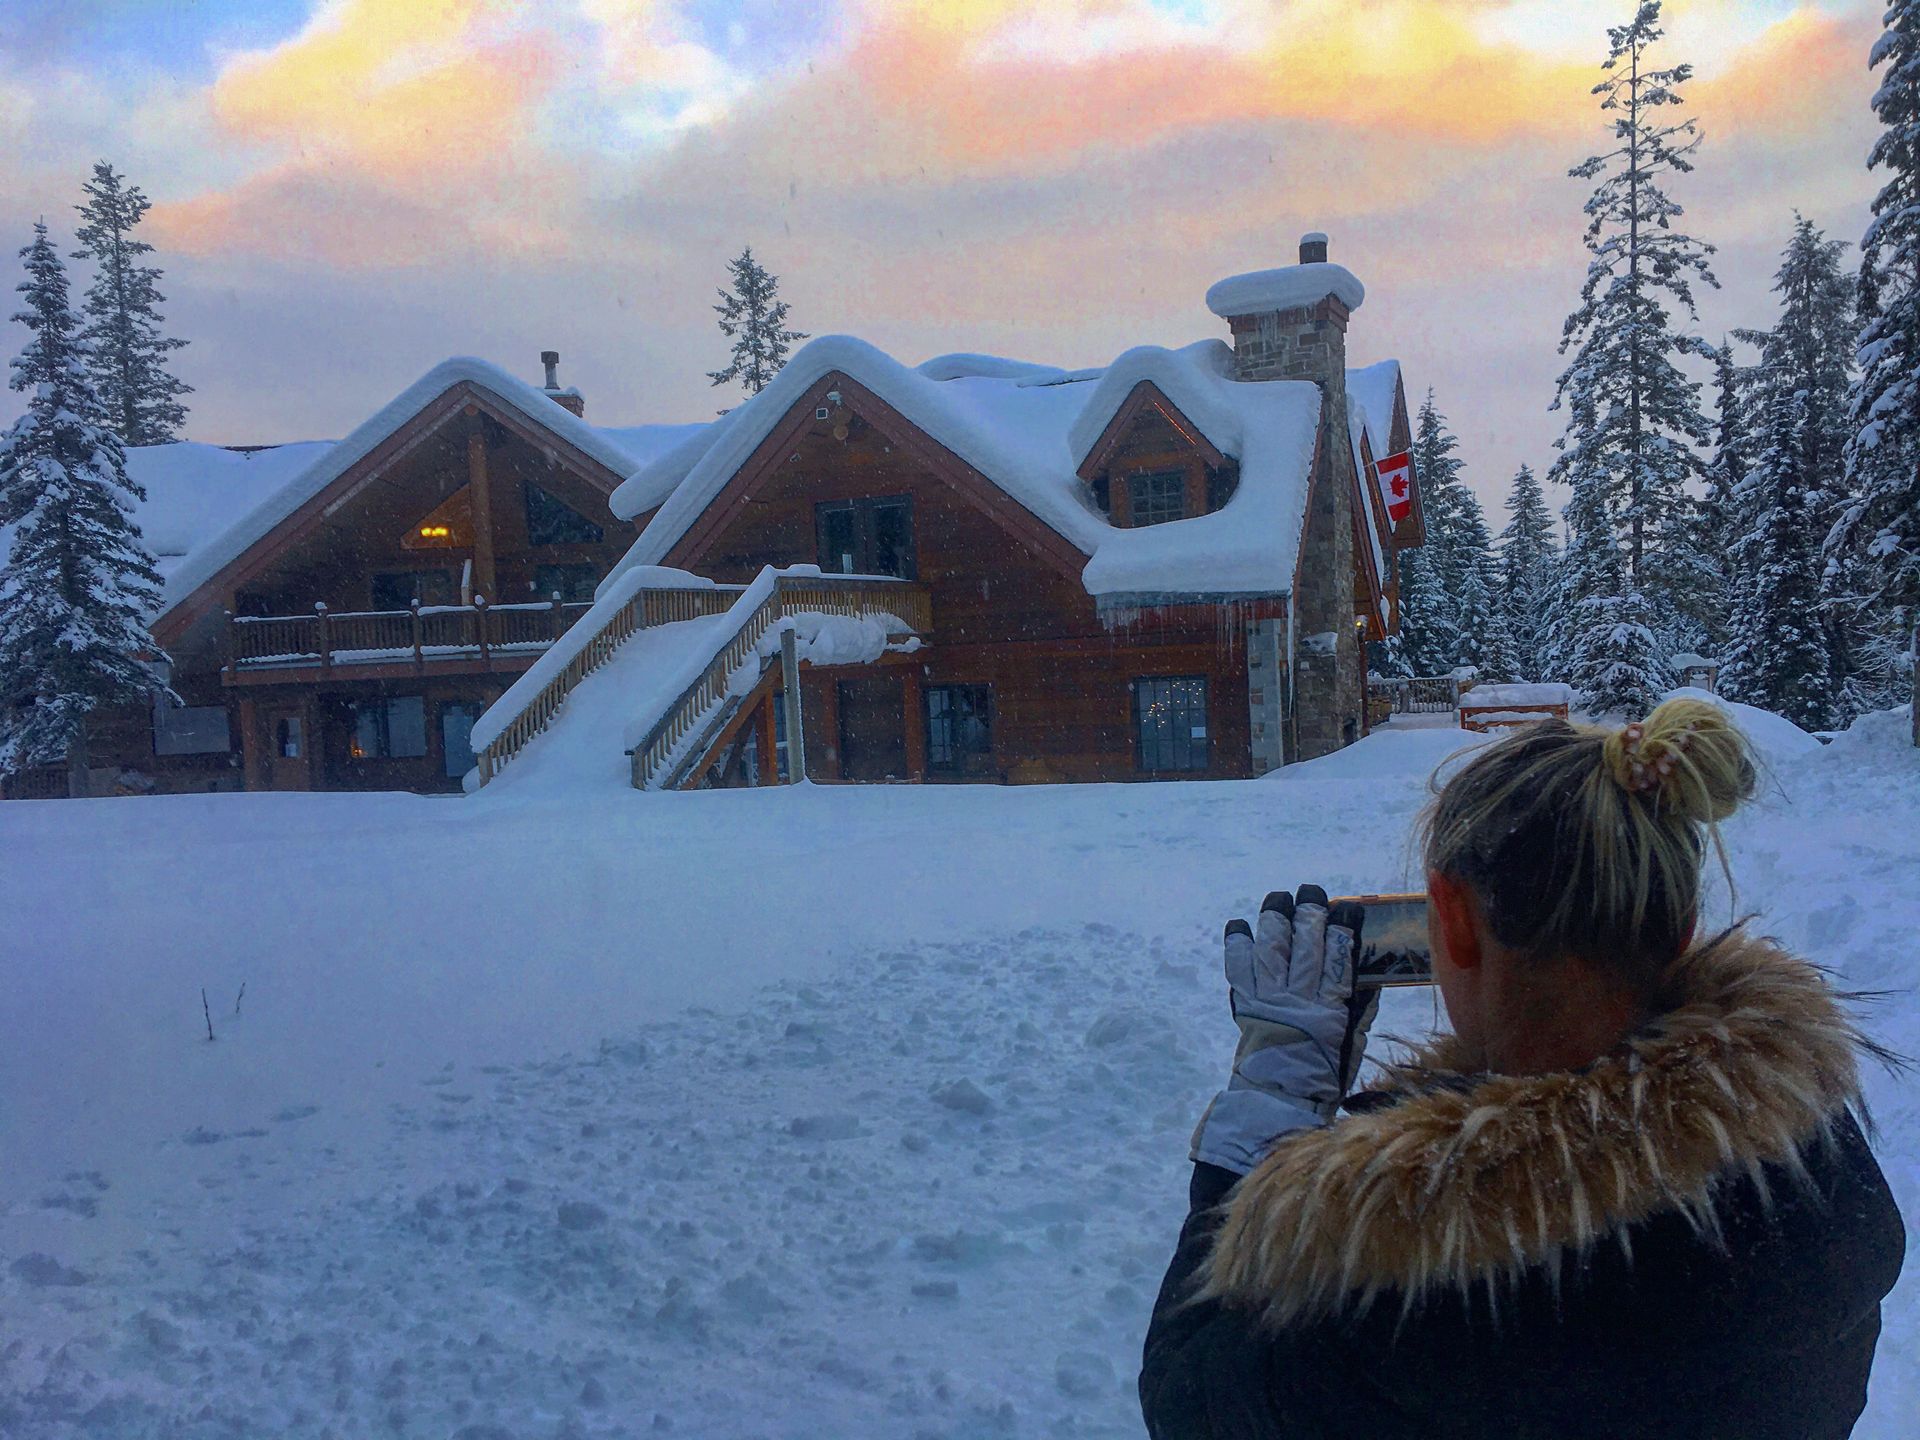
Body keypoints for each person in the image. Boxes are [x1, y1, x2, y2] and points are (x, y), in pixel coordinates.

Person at [1140, 697, 1906, 1440]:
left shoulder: (1406, 1293)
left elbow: (1191, 1391)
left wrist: (1272, 1099)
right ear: (1681, 931)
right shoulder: (1817, 1169)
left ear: (1456, 918)